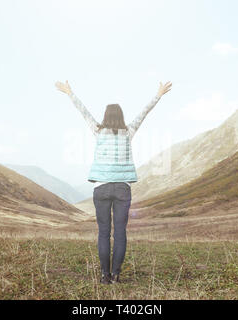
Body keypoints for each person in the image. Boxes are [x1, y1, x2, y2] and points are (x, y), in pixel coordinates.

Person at [55, 80, 172, 284]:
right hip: (122, 189)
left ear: (105, 117)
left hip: (101, 187)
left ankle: (104, 275)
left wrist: (69, 93)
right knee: (120, 233)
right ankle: (116, 275)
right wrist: (159, 94)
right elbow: (145, 112)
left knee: (103, 232)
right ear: (121, 117)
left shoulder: (98, 131)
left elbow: (84, 112)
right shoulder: (128, 132)